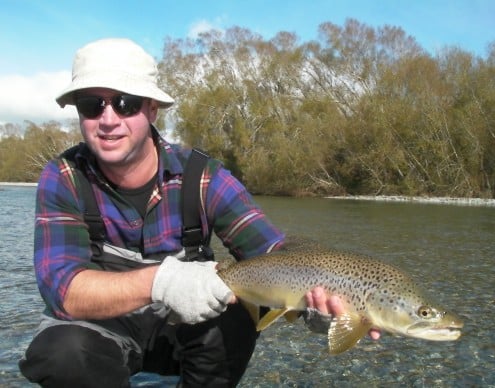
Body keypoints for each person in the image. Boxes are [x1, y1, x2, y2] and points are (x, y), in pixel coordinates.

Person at [19, 38, 378, 387]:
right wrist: (160, 281)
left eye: (126, 103)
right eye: (91, 105)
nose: (108, 119)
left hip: (185, 333)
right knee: (60, 354)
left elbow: (273, 256)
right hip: (99, 331)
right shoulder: (63, 177)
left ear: (151, 109)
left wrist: (316, 301)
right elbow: (62, 290)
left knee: (236, 321)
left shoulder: (204, 177)